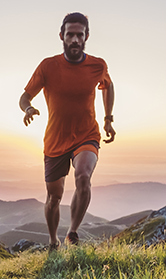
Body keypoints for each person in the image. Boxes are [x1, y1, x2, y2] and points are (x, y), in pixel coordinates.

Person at [19, 12, 115, 248]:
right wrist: (28, 108)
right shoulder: (48, 66)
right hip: (55, 140)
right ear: (61, 36)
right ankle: (53, 241)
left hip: (87, 135)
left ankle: (72, 232)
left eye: (79, 35)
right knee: (54, 198)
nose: (74, 39)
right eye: (70, 34)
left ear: (86, 37)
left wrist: (108, 119)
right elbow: (24, 96)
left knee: (83, 177)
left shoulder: (97, 65)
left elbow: (108, 87)